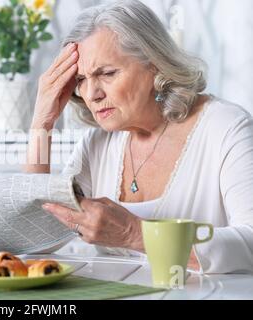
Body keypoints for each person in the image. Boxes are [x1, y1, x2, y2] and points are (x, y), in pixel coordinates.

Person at [25, 0, 253, 274]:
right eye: (81, 80)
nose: (92, 94)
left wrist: (136, 234)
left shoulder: (226, 127)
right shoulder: (95, 144)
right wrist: (42, 123)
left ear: (154, 65)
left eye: (107, 73)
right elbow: (34, 239)